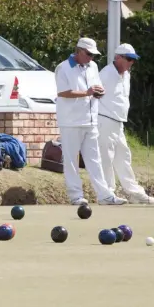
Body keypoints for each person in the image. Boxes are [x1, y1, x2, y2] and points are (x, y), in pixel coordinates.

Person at [54, 37, 127, 205]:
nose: (91, 58)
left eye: (93, 55)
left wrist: (99, 91)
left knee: (95, 160)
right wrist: (87, 93)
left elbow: (97, 87)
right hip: (70, 121)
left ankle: (105, 195)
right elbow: (63, 92)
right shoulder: (63, 68)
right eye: (88, 54)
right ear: (78, 51)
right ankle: (76, 196)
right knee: (71, 160)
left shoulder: (93, 66)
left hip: (91, 120)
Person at [98, 44, 154, 204]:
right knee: (106, 157)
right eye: (129, 59)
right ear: (118, 57)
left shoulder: (127, 75)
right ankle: (107, 193)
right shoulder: (106, 74)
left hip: (118, 122)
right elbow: (93, 96)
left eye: (133, 60)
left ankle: (134, 192)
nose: (131, 63)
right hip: (104, 119)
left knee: (123, 156)